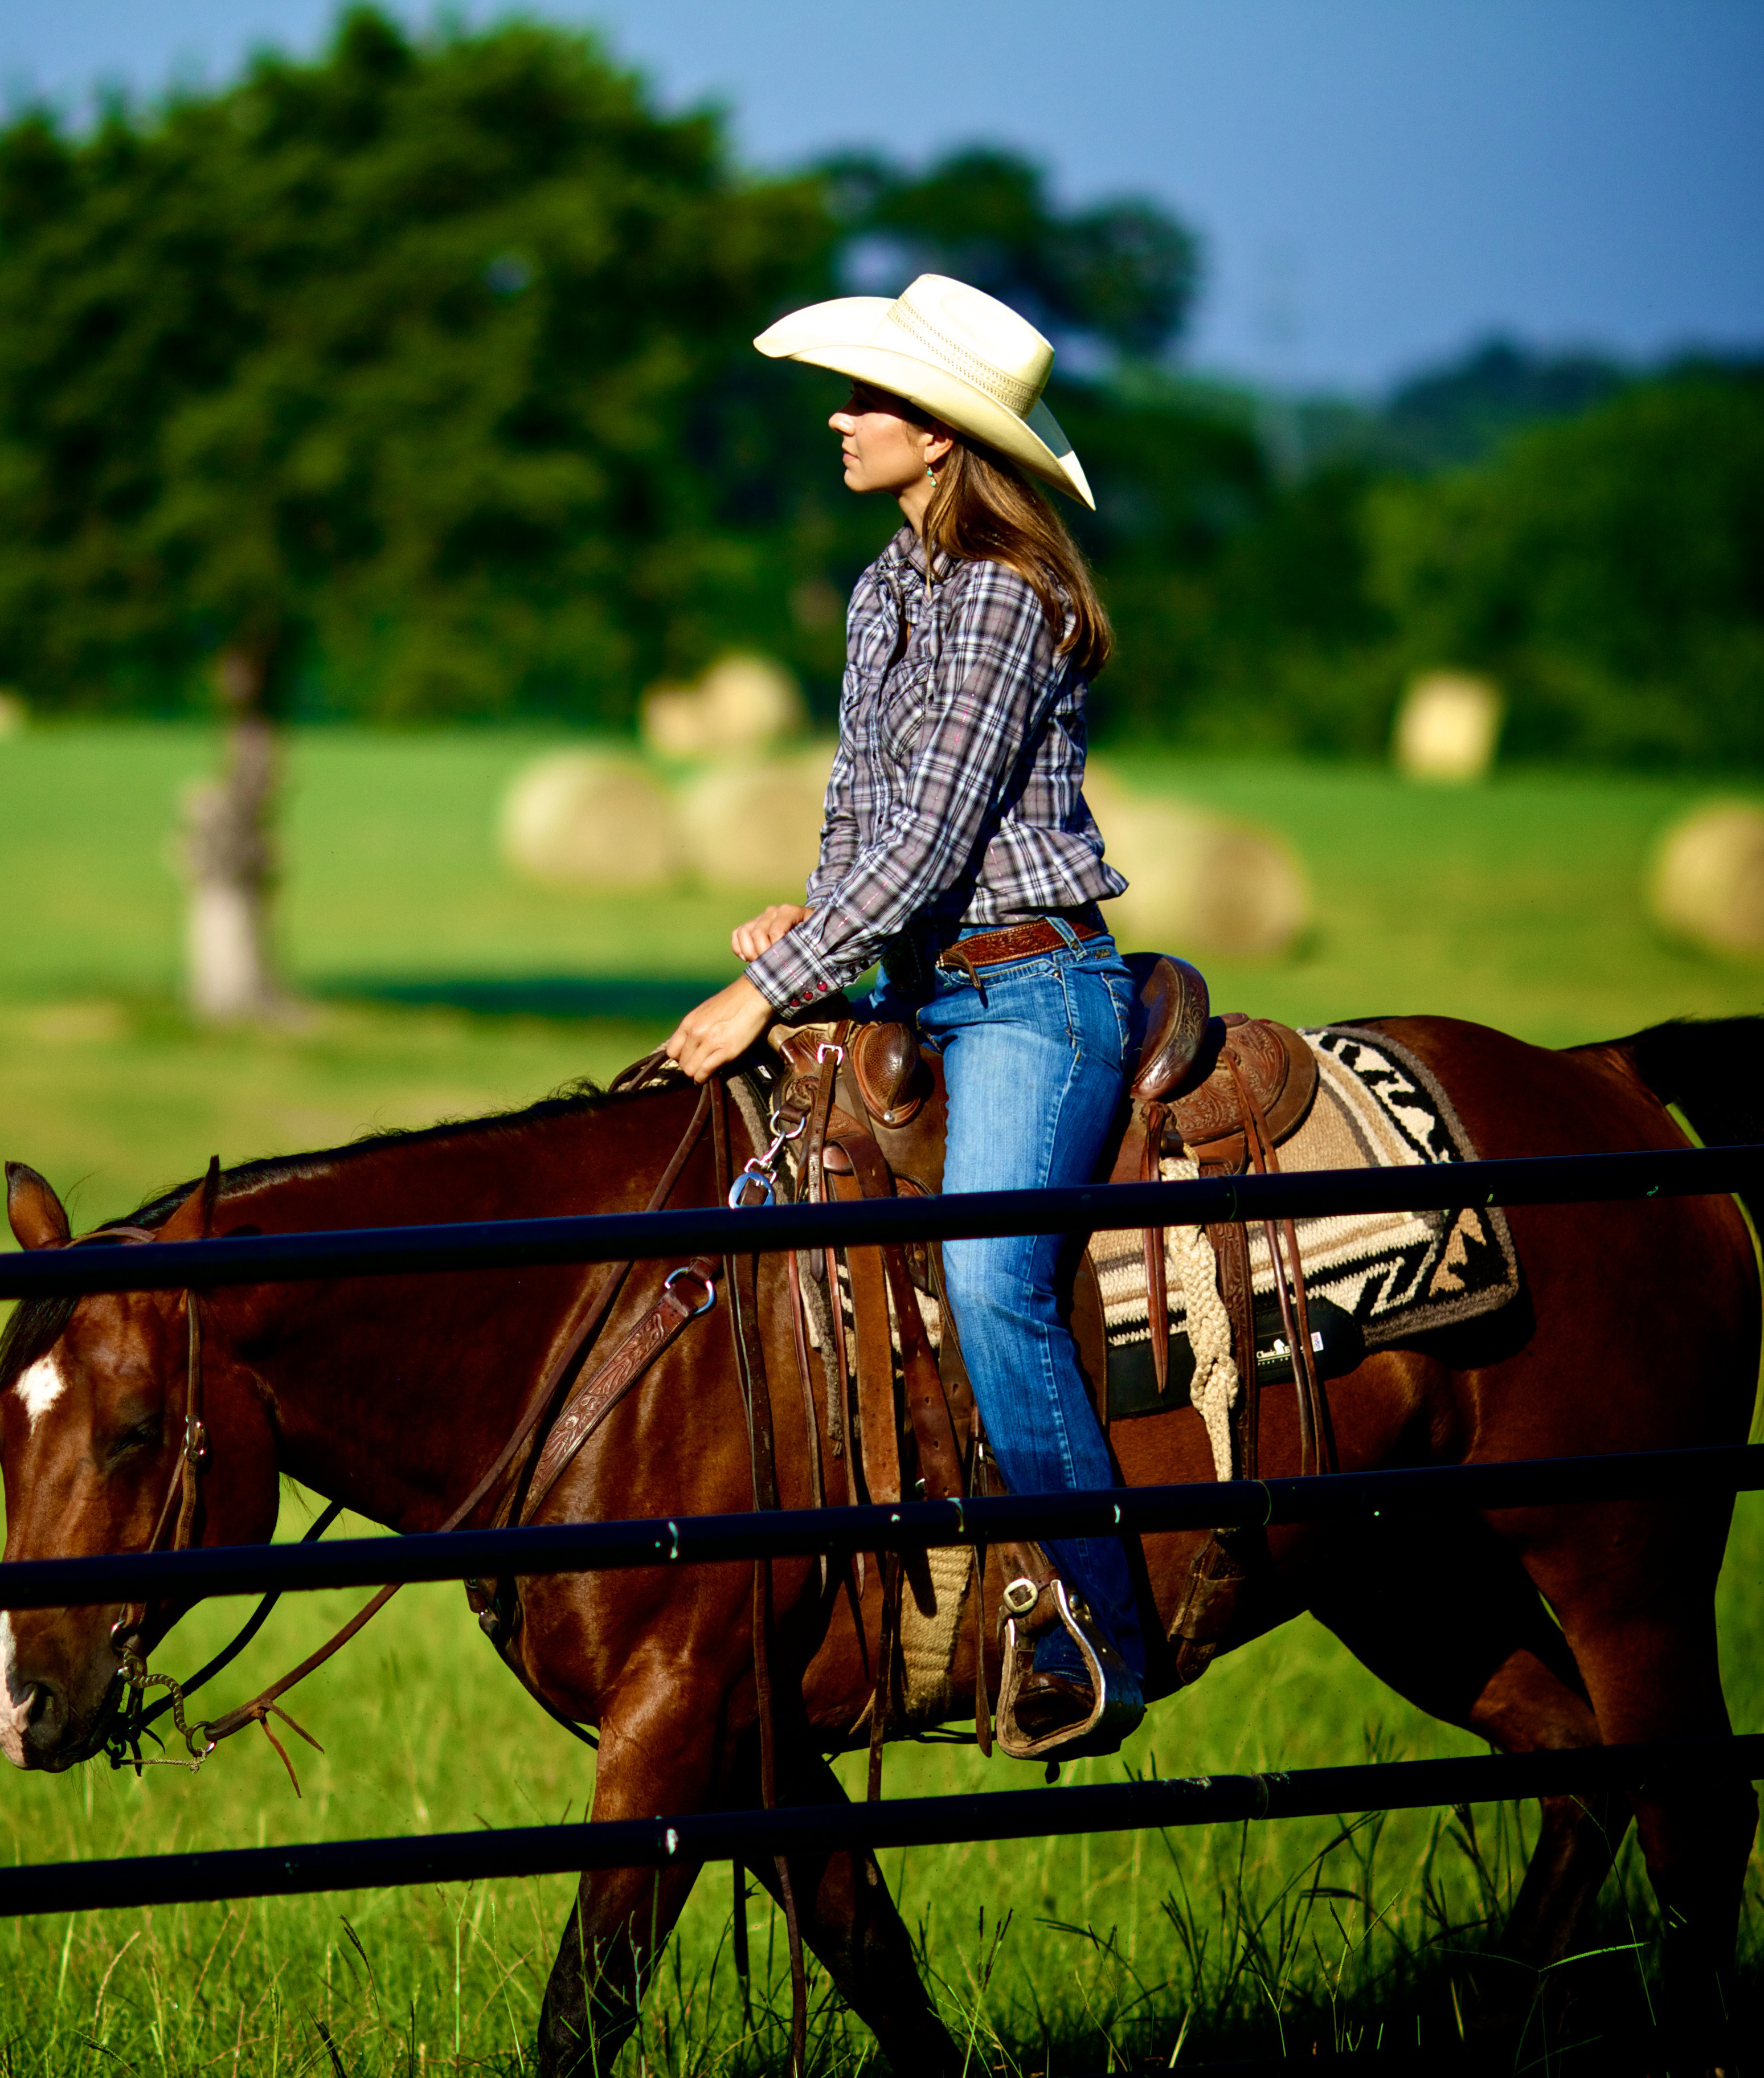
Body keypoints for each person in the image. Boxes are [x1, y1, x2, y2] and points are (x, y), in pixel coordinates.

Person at [661, 273, 1143, 1749]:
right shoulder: (886, 585)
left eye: (869, 399)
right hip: (911, 984)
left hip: (1028, 996)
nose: (841, 417)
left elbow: (938, 847)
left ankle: (1101, 1627)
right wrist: (813, 917)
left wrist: (765, 992)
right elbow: (870, 816)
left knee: (991, 1280)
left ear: (940, 437)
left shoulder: (1005, 593)